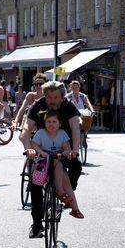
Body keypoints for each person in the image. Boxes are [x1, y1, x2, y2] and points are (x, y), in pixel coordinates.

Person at [20, 81, 83, 239]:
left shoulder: (68, 106)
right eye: (49, 97)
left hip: (65, 151)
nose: (52, 100)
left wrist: (75, 150)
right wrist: (29, 148)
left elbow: (75, 128)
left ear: (62, 96)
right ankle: (36, 225)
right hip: (42, 153)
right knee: (35, 183)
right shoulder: (38, 105)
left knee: (77, 166)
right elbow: (26, 128)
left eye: (56, 97)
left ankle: (66, 192)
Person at [31, 110, 84, 218]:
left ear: (59, 123)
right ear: (45, 123)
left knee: (66, 179)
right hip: (42, 160)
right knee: (53, 168)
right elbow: (34, 144)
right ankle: (60, 192)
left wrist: (66, 152)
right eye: (48, 122)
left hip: (57, 158)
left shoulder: (62, 133)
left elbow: (66, 146)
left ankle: (75, 208)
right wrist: (41, 152)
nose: (51, 124)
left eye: (54, 122)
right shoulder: (41, 133)